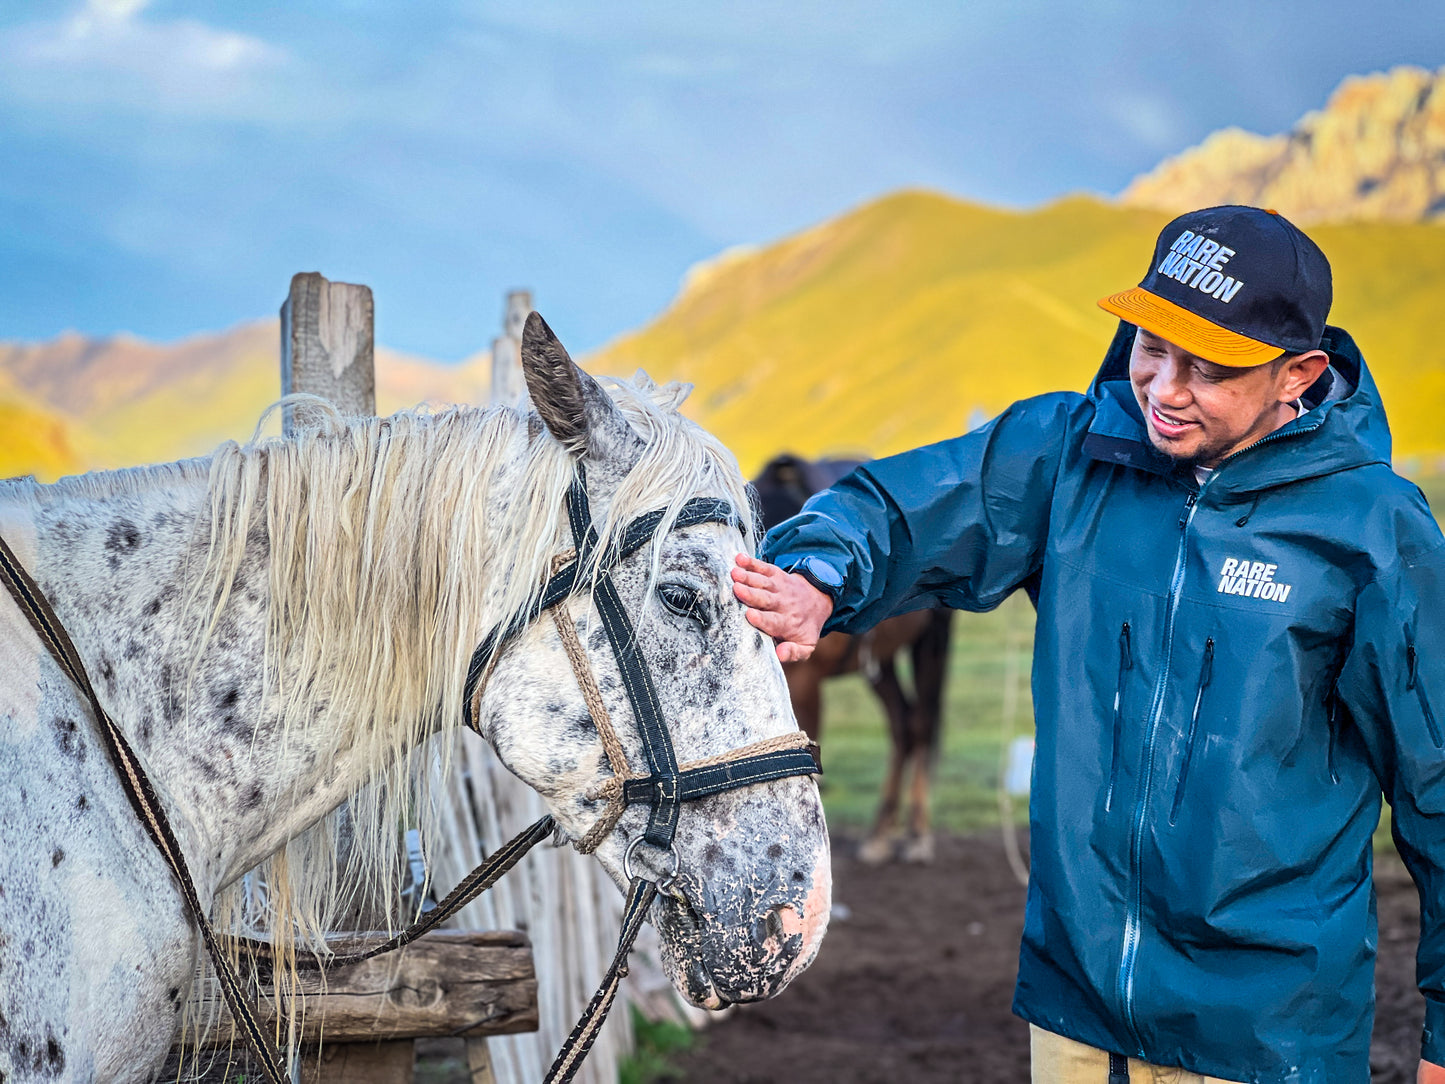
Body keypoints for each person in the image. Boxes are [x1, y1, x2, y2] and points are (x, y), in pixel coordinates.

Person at [731, 205, 1445, 1084]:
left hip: (1266, 1038)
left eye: (1207, 367)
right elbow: (903, 504)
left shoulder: (1371, 529)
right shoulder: (1067, 453)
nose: (1163, 388)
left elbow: (1438, 782)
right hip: (1075, 1017)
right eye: (1150, 346)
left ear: (1296, 373)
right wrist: (816, 573)